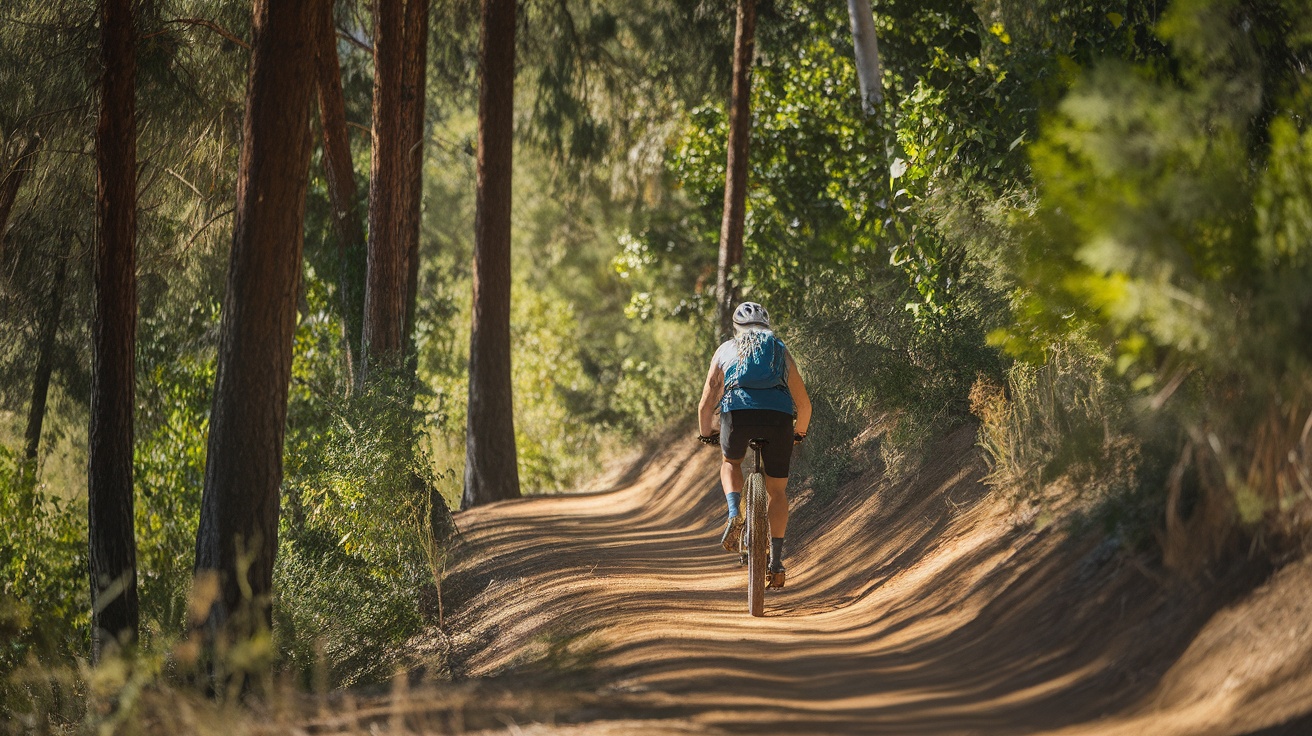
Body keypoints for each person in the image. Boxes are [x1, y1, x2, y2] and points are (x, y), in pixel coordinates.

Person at [696, 301, 811, 588]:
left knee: (730, 462)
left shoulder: (725, 349)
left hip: (737, 414)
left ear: (736, 328)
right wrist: (799, 433)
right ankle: (777, 562)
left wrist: (705, 432)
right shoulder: (780, 349)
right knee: (777, 492)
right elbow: (804, 404)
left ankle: (735, 513)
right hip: (778, 417)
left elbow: (707, 401)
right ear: (767, 325)